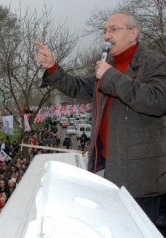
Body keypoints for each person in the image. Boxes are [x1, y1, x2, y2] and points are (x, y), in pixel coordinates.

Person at [35, 11, 166, 230]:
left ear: (134, 33)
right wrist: (52, 67)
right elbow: (77, 86)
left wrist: (111, 77)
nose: (107, 35)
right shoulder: (109, 67)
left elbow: (156, 100)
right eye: (105, 30)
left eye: (114, 29)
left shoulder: (155, 63)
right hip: (108, 169)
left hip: (142, 181)